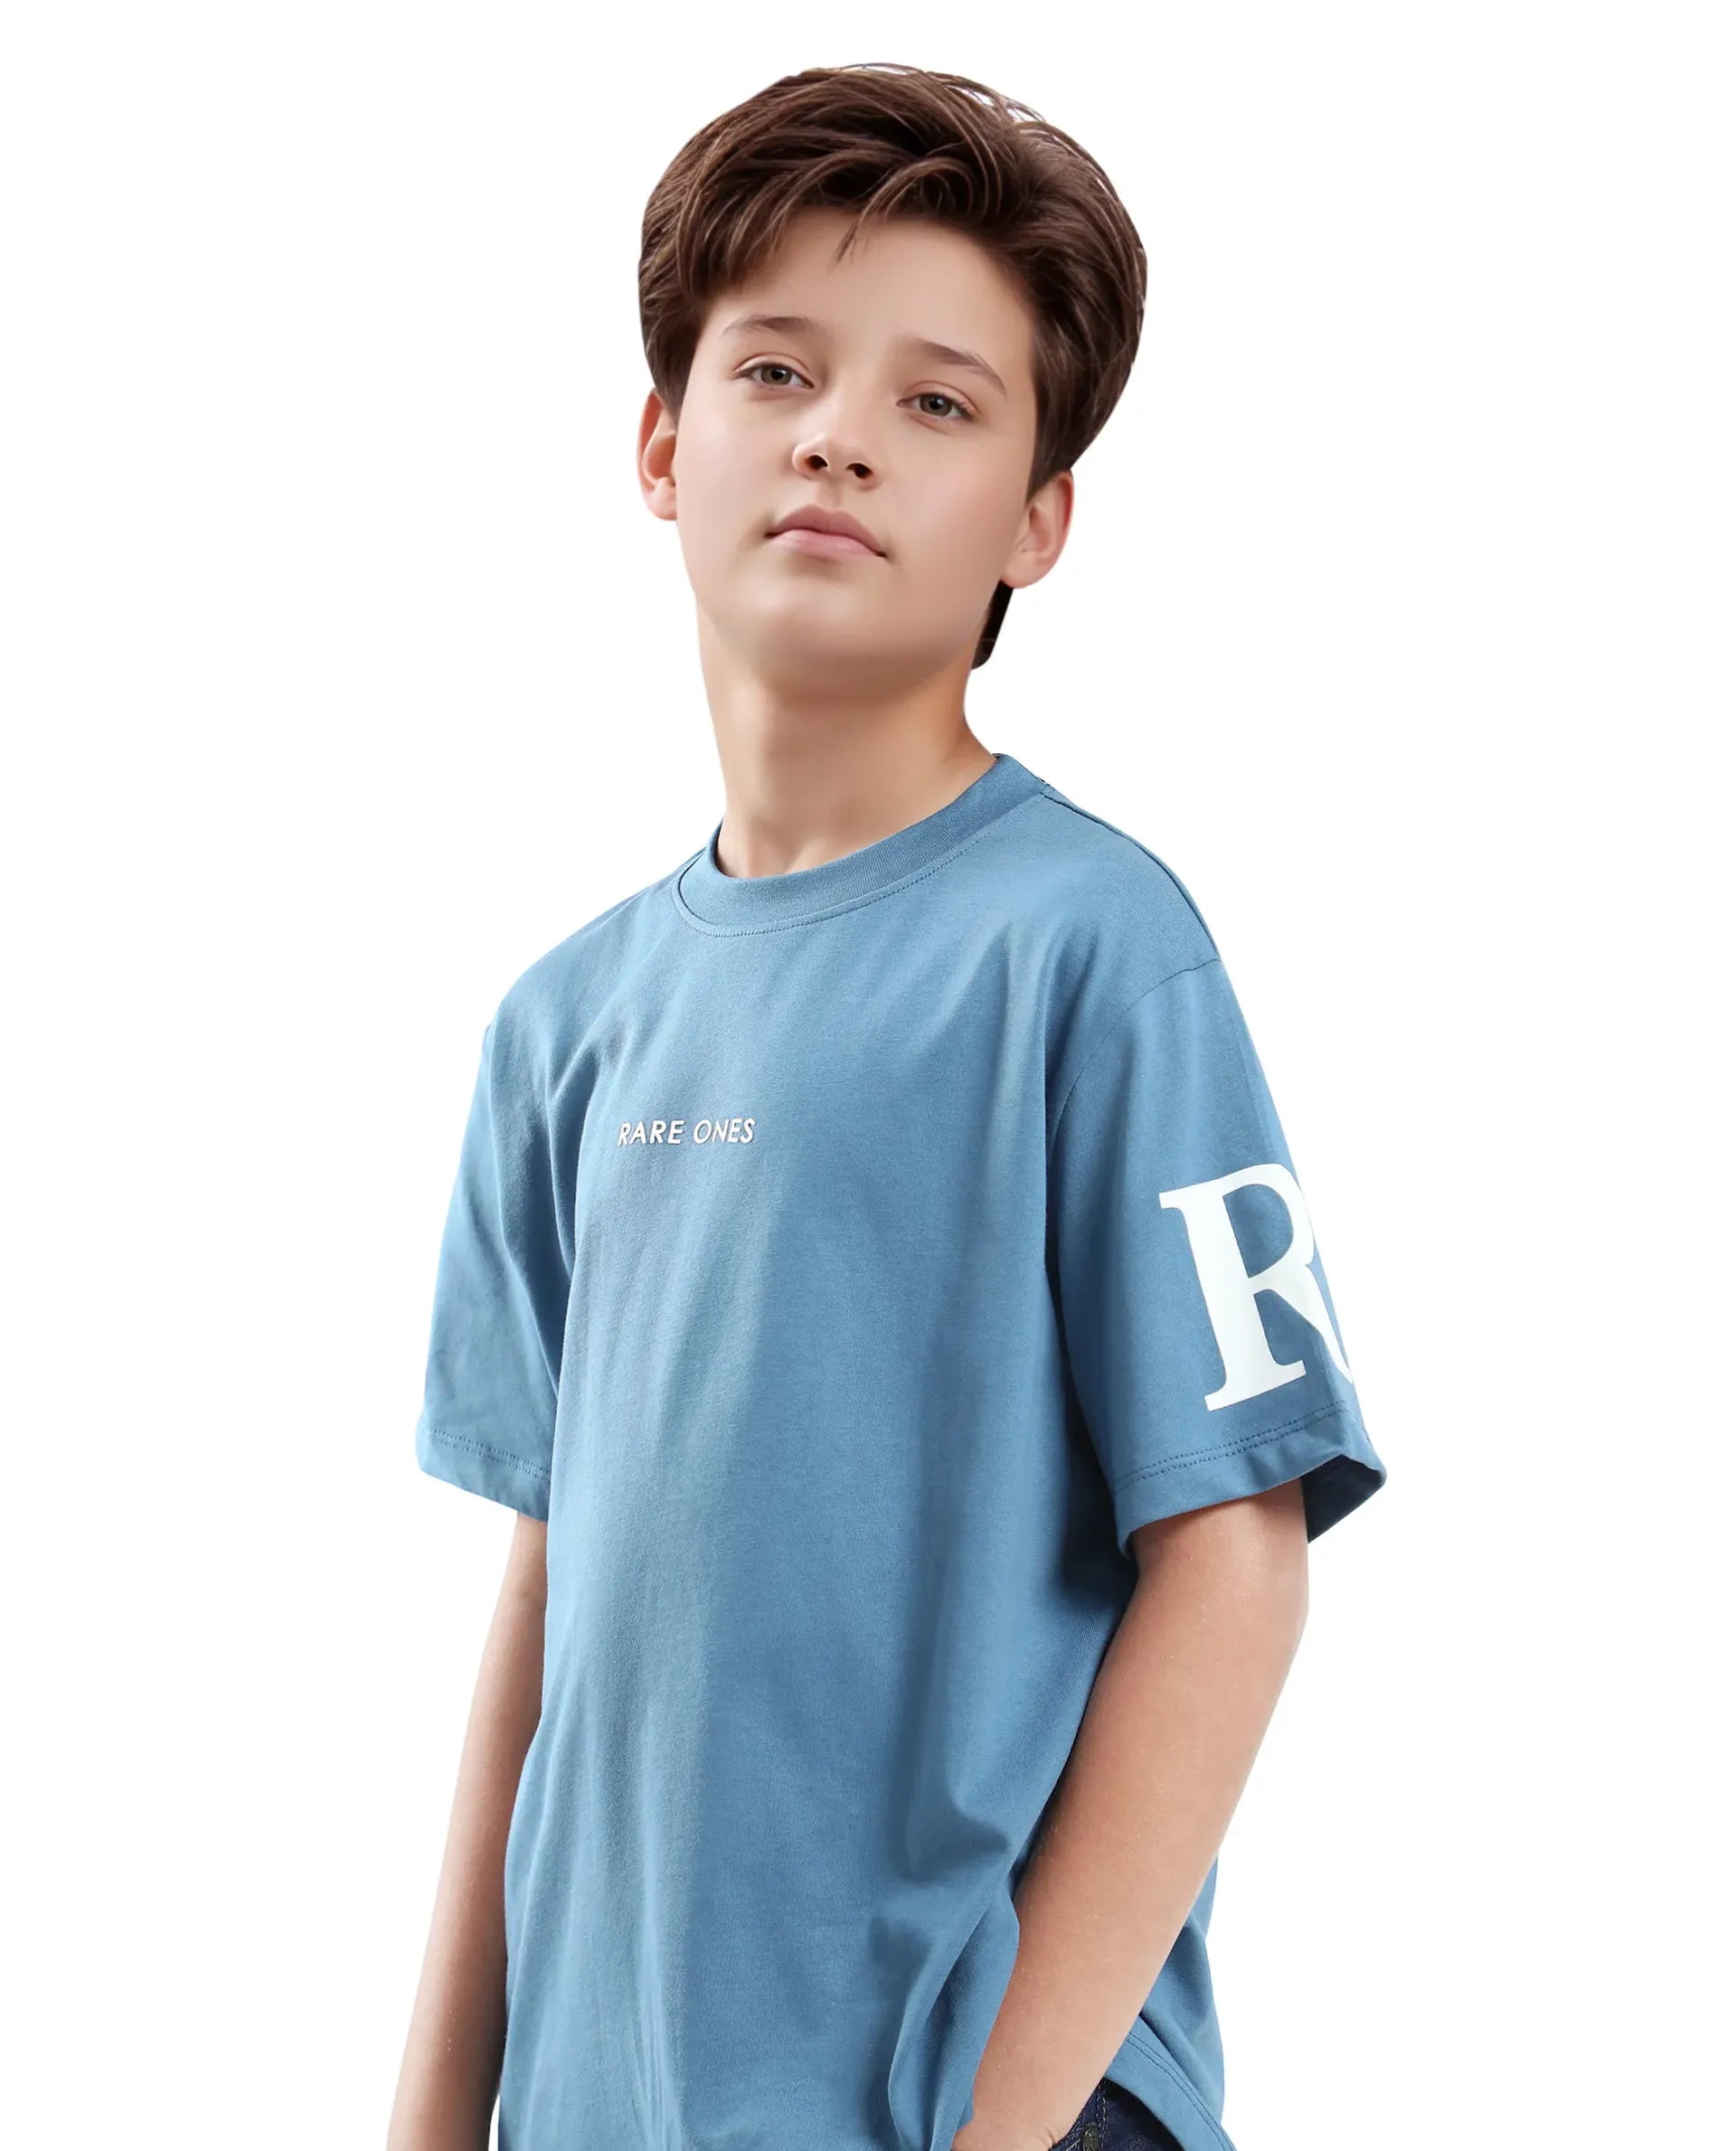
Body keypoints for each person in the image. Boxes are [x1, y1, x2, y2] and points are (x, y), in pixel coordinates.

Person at [389, 61, 1387, 2151]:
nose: (839, 430)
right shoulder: (566, 1023)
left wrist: (994, 2124)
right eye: (777, 367)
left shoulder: (1093, 949)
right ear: (663, 444)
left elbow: (1239, 1558)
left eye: (940, 400)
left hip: (973, 2105)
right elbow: (546, 1610)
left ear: (1039, 518)